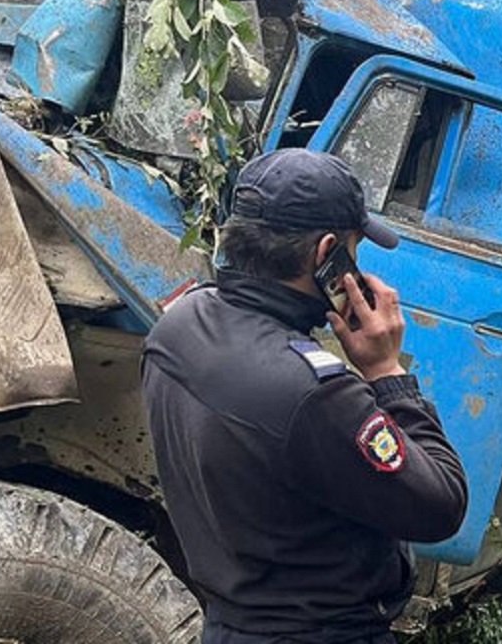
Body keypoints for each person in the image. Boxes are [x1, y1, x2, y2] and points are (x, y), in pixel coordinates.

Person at [142, 149, 468, 644]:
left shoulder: (178, 325)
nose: (356, 271)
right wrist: (386, 371)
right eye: (354, 254)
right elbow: (441, 505)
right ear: (327, 254)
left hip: (230, 624)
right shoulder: (314, 394)